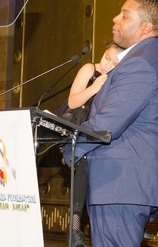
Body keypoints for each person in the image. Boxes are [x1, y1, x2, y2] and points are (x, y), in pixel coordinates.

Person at [63, 0, 158, 247]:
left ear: (146, 27)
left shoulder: (140, 63)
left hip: (121, 183)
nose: (115, 18)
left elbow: (107, 123)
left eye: (125, 15)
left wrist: (70, 148)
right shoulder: (149, 57)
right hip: (123, 183)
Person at [57, 41, 122, 246]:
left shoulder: (118, 79)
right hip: (75, 126)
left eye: (114, 63)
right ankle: (74, 228)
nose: (107, 65)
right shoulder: (89, 69)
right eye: (106, 57)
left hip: (96, 133)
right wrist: (94, 87)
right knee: (82, 163)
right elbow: (72, 102)